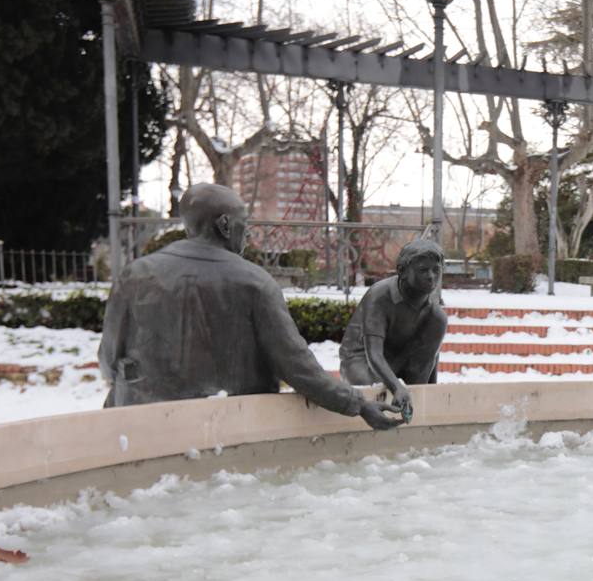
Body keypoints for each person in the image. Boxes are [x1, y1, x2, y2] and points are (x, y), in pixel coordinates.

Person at [98, 183, 404, 430]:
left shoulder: (135, 273)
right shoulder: (253, 282)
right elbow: (298, 367)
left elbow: (109, 357)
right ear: (225, 225)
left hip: (140, 423)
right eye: (246, 225)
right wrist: (358, 404)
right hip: (227, 428)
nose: (248, 234)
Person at [339, 238, 449, 422]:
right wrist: (396, 387)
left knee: (439, 319)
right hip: (363, 358)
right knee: (370, 391)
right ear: (402, 272)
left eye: (436, 270)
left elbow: (432, 358)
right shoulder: (380, 296)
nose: (431, 276)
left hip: (401, 358)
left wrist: (429, 394)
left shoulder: (434, 313)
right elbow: (373, 353)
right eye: (423, 270)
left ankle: (412, 409)